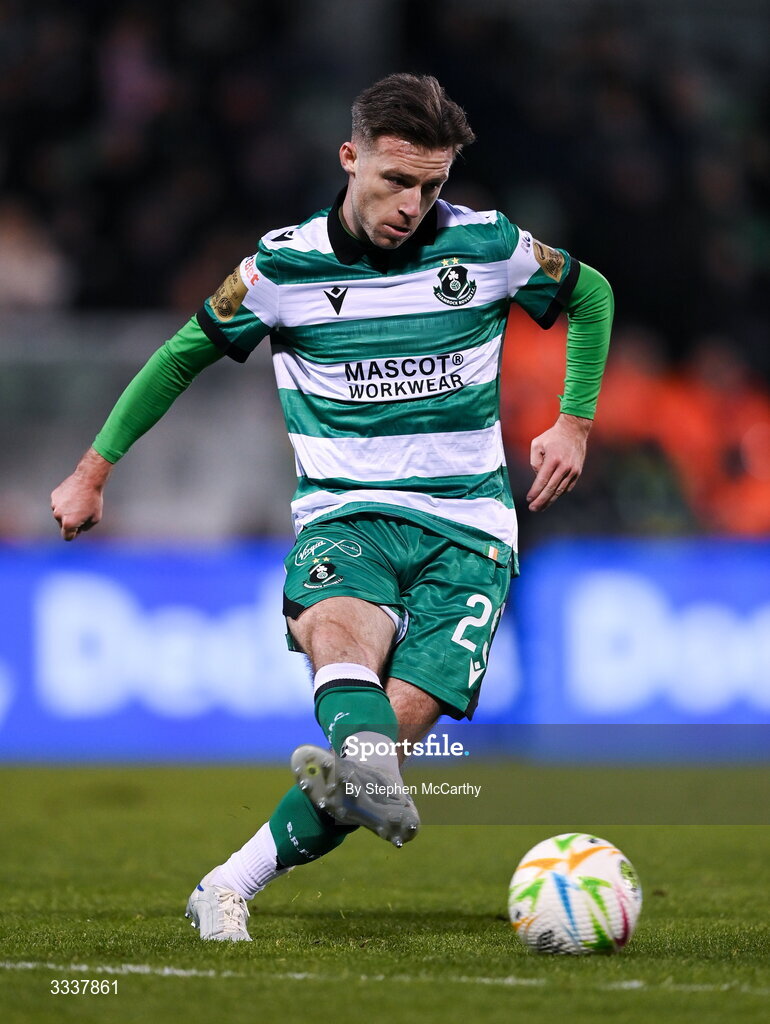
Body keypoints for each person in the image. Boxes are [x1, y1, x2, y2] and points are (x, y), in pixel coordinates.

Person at [51, 74, 613, 942]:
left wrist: (573, 422)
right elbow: (178, 357)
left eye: (431, 185)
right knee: (343, 650)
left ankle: (228, 881)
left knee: (378, 748)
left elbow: (591, 292)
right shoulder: (280, 268)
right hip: (347, 515)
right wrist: (93, 471)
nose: (412, 205)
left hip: (471, 531)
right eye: (396, 180)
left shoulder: (487, 245)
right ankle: (360, 766)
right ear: (350, 158)